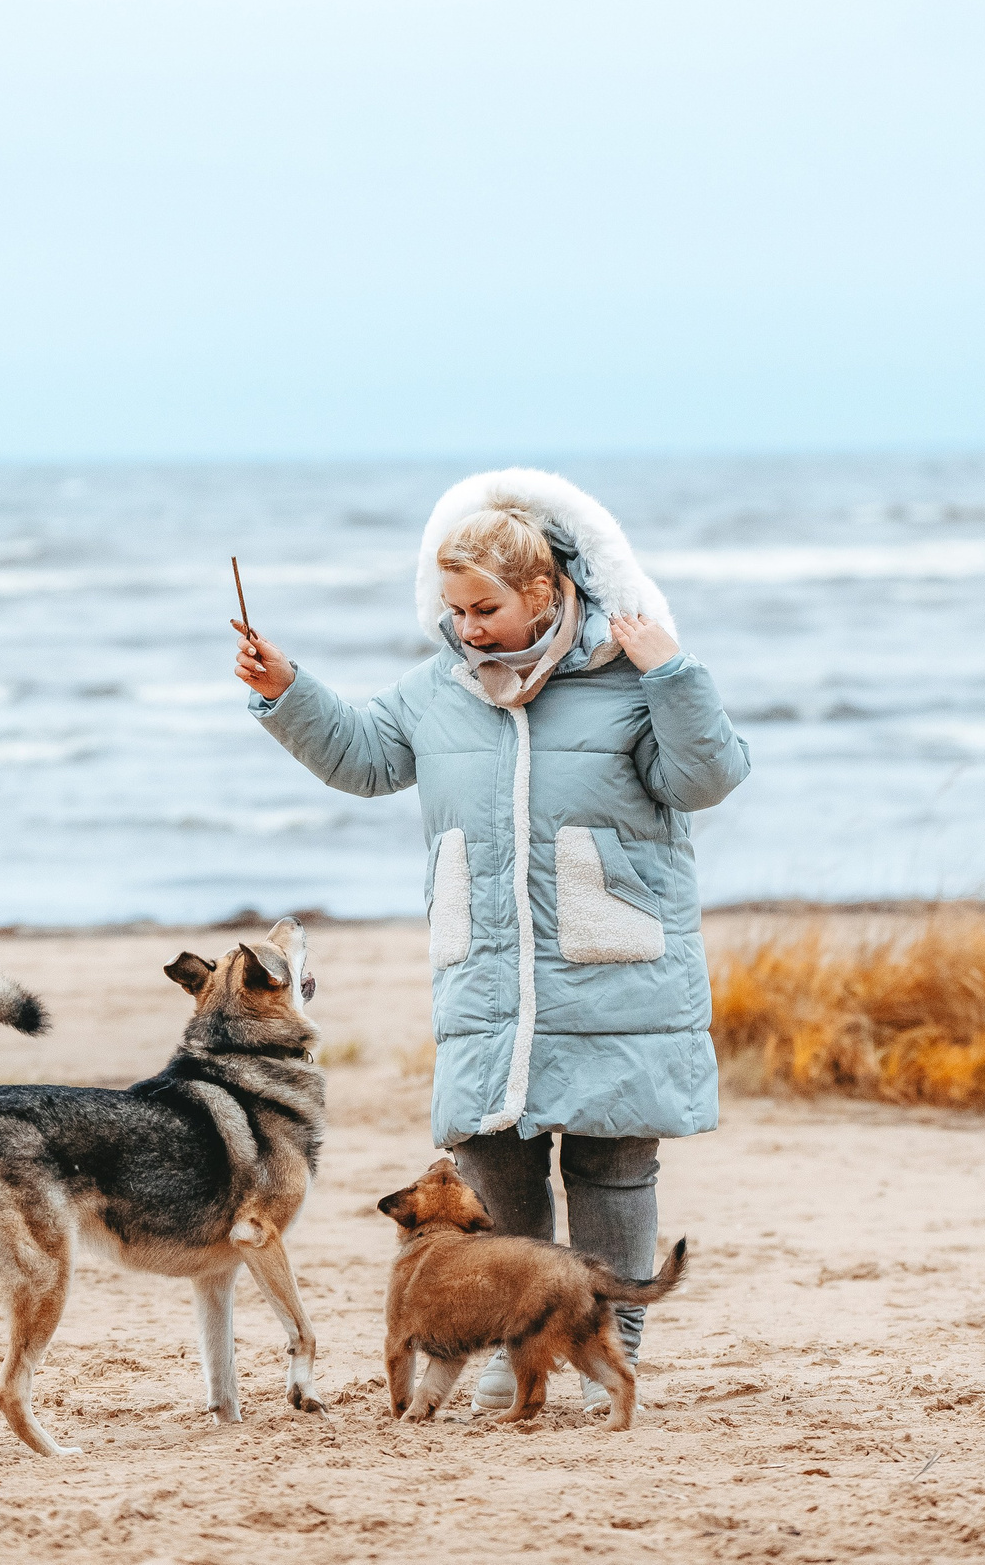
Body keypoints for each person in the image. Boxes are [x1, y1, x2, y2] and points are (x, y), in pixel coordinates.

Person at [233, 468, 749, 1412]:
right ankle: (518, 1352)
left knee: (612, 1162)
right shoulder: (440, 688)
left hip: (614, 959)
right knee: (496, 1158)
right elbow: (364, 756)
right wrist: (289, 692)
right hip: (486, 966)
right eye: (455, 608)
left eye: (486, 608)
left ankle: (609, 1347)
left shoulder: (630, 678)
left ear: (545, 592)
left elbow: (707, 777)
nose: (467, 628)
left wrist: (672, 673)